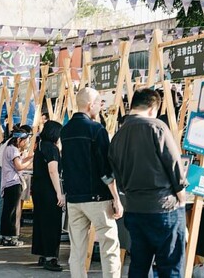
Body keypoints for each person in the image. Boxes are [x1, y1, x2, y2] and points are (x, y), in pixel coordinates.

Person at [108, 88, 186, 277]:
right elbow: (174, 164)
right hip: (163, 207)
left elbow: (115, 173)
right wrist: (182, 197)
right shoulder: (156, 126)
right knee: (170, 267)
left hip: (134, 208)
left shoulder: (117, 136)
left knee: (138, 265)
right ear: (153, 108)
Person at [61, 87, 123, 278]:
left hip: (74, 198)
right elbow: (105, 168)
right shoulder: (96, 129)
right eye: (99, 103)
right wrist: (116, 197)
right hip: (97, 198)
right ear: (90, 105)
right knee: (109, 247)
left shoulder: (66, 130)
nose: (100, 106)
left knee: (77, 250)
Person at [31, 120, 64, 271]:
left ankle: (42, 254)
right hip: (49, 190)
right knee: (52, 223)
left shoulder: (40, 146)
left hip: (38, 189)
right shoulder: (52, 148)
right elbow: (53, 170)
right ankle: (51, 257)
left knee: (40, 222)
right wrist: (59, 192)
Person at [0, 129, 32, 246]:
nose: (27, 143)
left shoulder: (9, 148)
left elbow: (19, 161)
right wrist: (31, 160)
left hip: (8, 182)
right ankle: (11, 238)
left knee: (8, 210)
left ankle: (5, 236)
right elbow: (19, 166)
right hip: (13, 182)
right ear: (19, 140)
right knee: (12, 212)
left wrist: (28, 158)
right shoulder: (13, 150)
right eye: (26, 141)